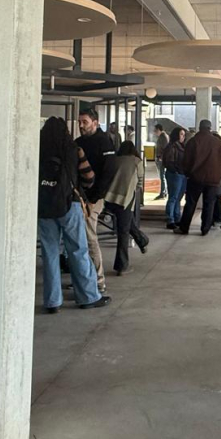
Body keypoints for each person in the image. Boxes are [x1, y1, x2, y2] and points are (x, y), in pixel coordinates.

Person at [38, 117, 108, 312]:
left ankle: (52, 302)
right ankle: (88, 297)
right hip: (69, 204)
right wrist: (78, 186)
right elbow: (89, 177)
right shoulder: (74, 149)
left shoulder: (38, 149)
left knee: (50, 253)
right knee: (78, 250)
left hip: (44, 207)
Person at [76, 110, 115, 292]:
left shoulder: (104, 142)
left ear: (96, 123)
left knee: (90, 238)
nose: (81, 125)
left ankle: (98, 281)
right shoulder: (78, 143)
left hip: (93, 199)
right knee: (80, 239)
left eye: (85, 122)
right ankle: (85, 277)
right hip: (79, 197)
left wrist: (93, 199)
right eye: (79, 122)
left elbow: (108, 173)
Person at [102, 141, 150, 276]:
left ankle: (142, 240)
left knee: (127, 223)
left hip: (109, 198)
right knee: (123, 232)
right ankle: (122, 266)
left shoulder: (114, 160)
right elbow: (140, 181)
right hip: (125, 199)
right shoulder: (136, 162)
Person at [177, 119, 221, 236]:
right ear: (210, 128)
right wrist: (220, 174)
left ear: (199, 128)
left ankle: (184, 227)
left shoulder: (193, 141)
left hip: (196, 178)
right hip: (213, 179)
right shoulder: (218, 143)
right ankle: (205, 228)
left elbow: (186, 161)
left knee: (190, 203)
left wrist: (188, 174)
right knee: (209, 204)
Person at [162, 126, 187, 230]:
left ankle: (177, 218)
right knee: (173, 197)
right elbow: (168, 161)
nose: (183, 137)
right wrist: (176, 170)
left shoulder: (181, 146)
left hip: (181, 174)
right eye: (181, 134)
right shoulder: (172, 147)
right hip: (175, 174)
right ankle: (170, 219)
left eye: (184, 135)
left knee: (178, 198)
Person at [153, 123, 169, 198]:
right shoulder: (162, 136)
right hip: (160, 158)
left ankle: (163, 192)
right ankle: (164, 191)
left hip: (161, 159)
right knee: (162, 176)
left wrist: (161, 157)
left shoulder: (163, 137)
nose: (154, 132)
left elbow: (166, 149)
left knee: (162, 176)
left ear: (159, 130)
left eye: (155, 130)